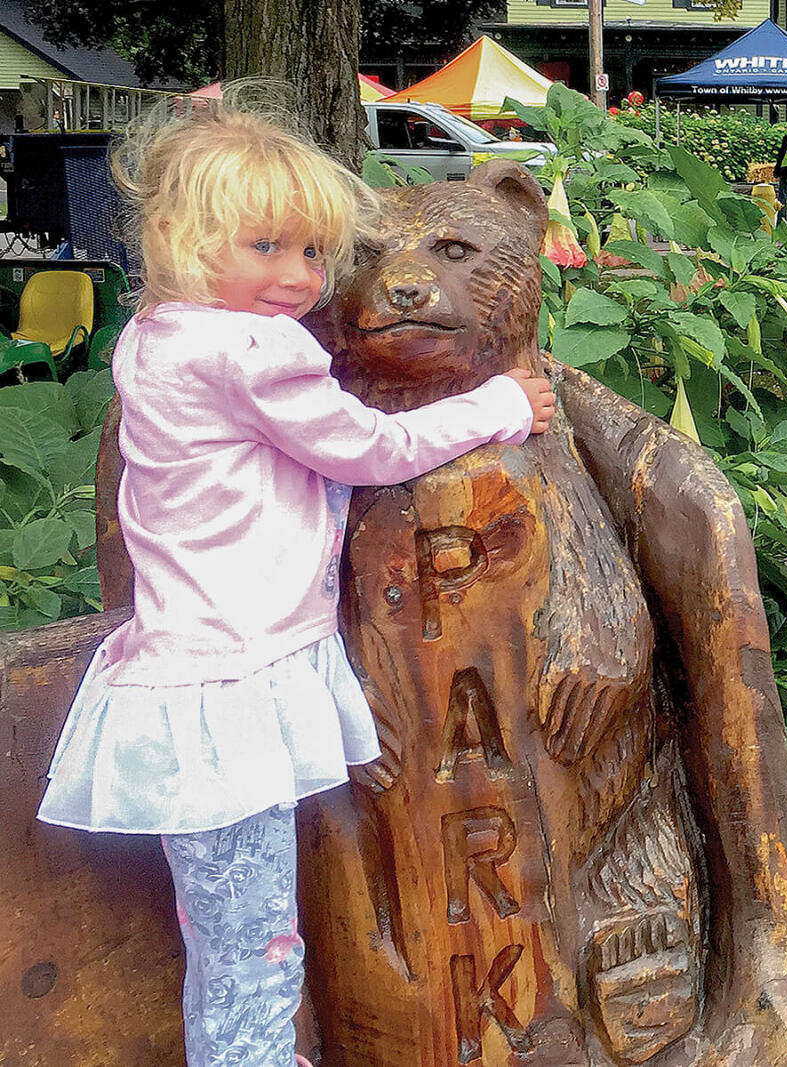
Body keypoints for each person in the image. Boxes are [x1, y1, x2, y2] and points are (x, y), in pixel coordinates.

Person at [34, 101, 558, 1067]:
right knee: (256, 945)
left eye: (315, 252)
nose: (298, 279)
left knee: (226, 935)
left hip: (185, 671)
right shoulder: (253, 352)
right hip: (230, 685)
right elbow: (371, 447)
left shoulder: (156, 335)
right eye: (266, 245)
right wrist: (497, 405)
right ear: (180, 242)